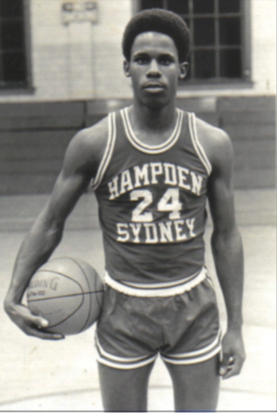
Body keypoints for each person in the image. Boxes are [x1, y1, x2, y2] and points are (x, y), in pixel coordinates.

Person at [4, 8, 245, 411]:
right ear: (126, 68)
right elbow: (50, 223)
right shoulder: (94, 143)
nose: (153, 69)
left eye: (165, 60)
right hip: (122, 309)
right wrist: (12, 295)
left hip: (194, 308)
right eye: (142, 59)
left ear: (182, 69)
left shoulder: (212, 143)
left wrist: (235, 326)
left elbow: (226, 235)